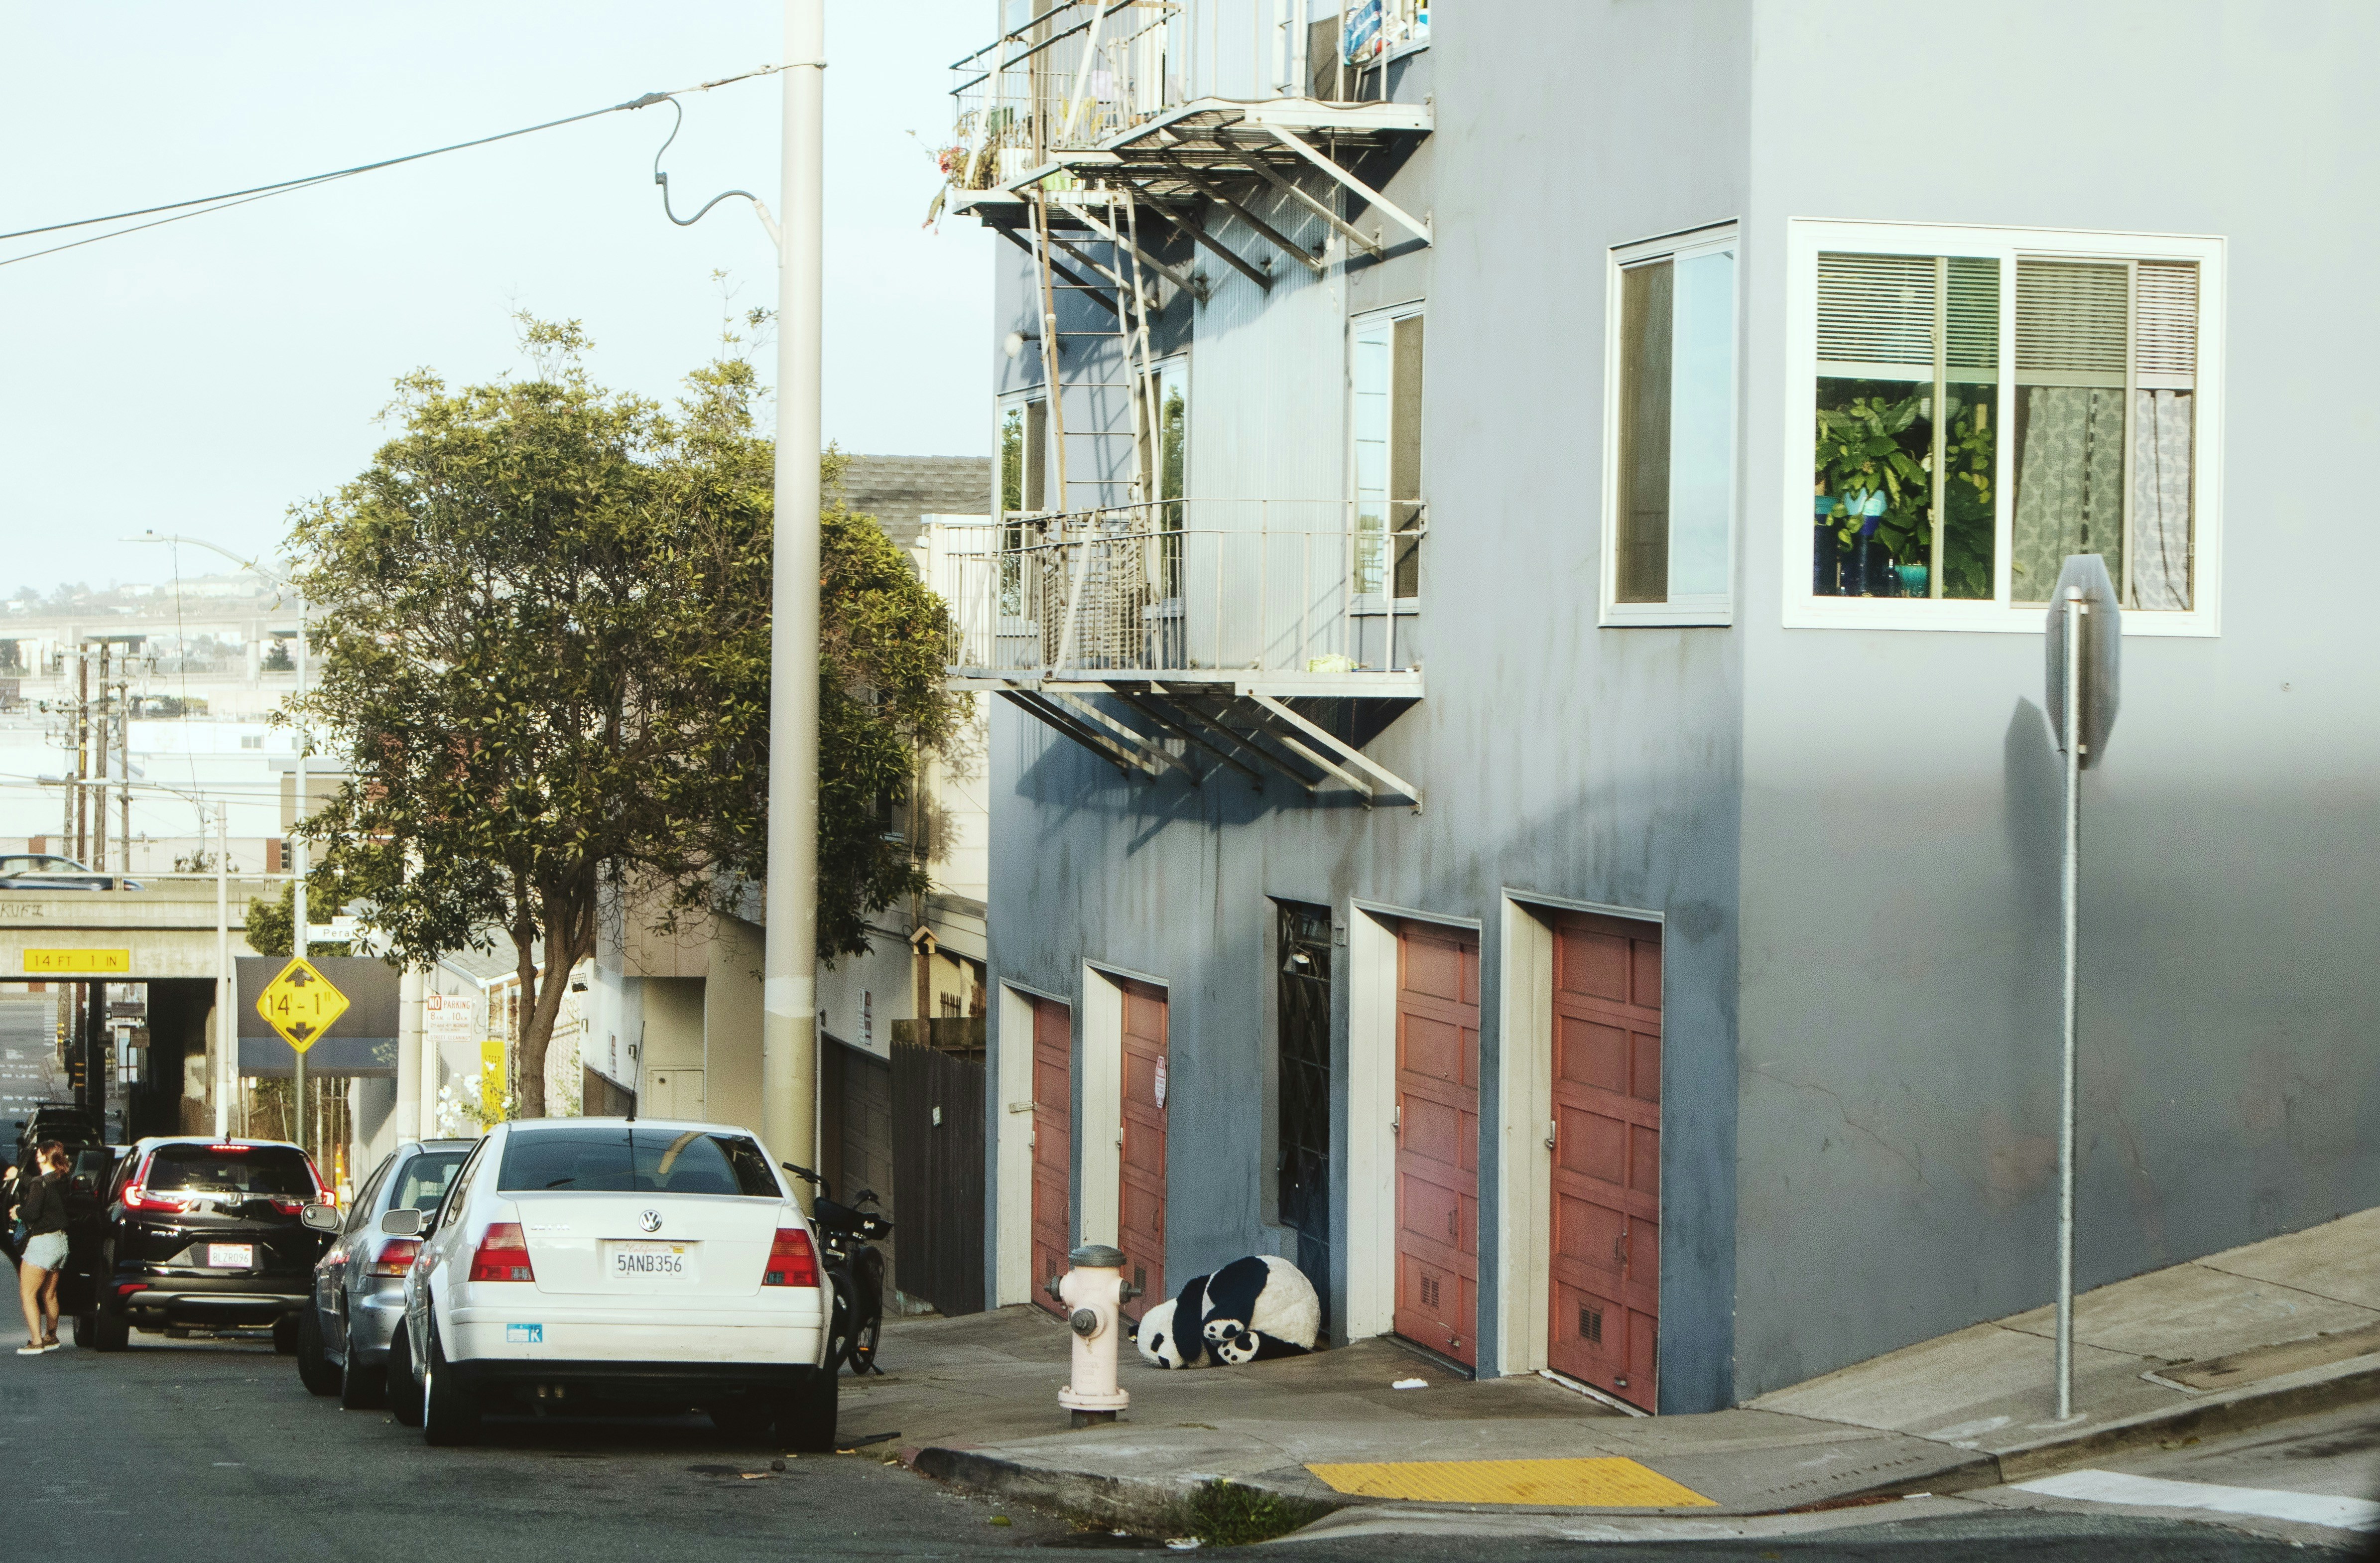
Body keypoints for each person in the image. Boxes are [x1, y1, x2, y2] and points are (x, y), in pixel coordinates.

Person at [12, 1142, 70, 1355]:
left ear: (47, 1156)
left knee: (28, 1294)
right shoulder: (62, 1179)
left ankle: (36, 1342)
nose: (37, 1157)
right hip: (61, 1243)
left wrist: (18, 1211)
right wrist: (20, 1177)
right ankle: (51, 1336)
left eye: (40, 1154)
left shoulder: (40, 1183)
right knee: (50, 1294)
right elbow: (46, 1191)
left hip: (43, 1243)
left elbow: (31, 1214)